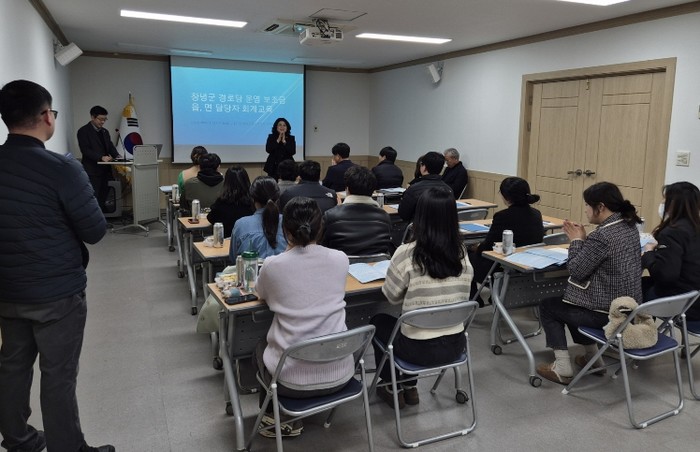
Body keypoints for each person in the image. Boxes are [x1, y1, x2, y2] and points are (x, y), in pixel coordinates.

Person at [0, 80, 114, 452]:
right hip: (57, 292)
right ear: (47, 116)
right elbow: (95, 230)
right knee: (58, 375)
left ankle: (18, 440)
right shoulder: (62, 169)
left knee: (12, 367)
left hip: (7, 289)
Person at [252, 196, 354, 437]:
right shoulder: (341, 258)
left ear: (285, 230)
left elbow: (260, 293)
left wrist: (288, 251)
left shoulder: (273, 265)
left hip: (291, 384)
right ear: (321, 227)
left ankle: (274, 418)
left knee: (258, 346)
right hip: (342, 375)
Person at [371, 186, 473, 408]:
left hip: (416, 350)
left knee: (379, 322)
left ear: (420, 216)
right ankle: (410, 387)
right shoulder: (462, 253)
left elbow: (391, 297)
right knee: (413, 323)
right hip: (455, 346)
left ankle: (392, 386)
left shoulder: (406, 253)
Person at [537, 182, 643, 385]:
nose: (585, 209)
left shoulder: (602, 236)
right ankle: (593, 359)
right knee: (570, 302)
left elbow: (576, 270)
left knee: (549, 306)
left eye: (587, 205)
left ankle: (562, 368)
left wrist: (577, 241)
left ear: (600, 207)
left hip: (606, 315)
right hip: (628, 310)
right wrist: (585, 241)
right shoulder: (629, 226)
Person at [468, 177, 544, 303]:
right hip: (528, 265)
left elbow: (487, 247)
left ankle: (475, 299)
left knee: (466, 258)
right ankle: (494, 297)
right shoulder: (537, 213)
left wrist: (475, 248)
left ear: (506, 197)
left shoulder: (502, 216)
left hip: (502, 266)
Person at [641, 182, 700, 319]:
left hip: (681, 303)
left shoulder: (672, 232)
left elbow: (665, 276)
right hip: (695, 298)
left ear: (674, 203)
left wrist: (649, 253)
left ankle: (641, 330)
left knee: (633, 288)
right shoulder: (694, 228)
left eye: (665, 199)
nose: (662, 203)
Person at [321, 166, 392, 256]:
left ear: (347, 189)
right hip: (376, 263)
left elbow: (322, 247)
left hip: (342, 263)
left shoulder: (330, 216)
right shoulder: (384, 217)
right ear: (373, 191)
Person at [230, 176, 287, 260]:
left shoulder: (241, 225)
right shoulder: (288, 223)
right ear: (277, 198)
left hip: (250, 268)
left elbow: (233, 258)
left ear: (252, 199)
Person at [76, 105, 121, 212]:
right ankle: (92, 219)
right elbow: (85, 150)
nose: (103, 122)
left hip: (106, 170)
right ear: (92, 117)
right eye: (100, 119)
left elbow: (110, 146)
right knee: (93, 196)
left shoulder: (105, 131)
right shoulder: (83, 131)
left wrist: (117, 156)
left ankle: (101, 218)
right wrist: (100, 157)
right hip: (92, 171)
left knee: (103, 195)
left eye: (105, 119)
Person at [398, 151, 453, 222]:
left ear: (424, 167)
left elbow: (404, 214)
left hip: (418, 227)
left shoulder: (414, 189)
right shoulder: (448, 189)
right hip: (443, 228)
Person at [207, 166, 255, 238]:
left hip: (226, 241)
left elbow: (211, 218)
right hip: (249, 240)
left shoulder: (221, 202)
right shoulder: (253, 202)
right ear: (247, 181)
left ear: (226, 182)